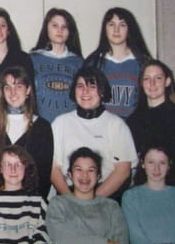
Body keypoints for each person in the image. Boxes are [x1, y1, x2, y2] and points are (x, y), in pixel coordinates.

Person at [51, 66, 136, 199]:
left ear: (102, 91)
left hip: (105, 196)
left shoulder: (116, 125)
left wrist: (92, 201)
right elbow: (53, 169)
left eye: (92, 86)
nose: (85, 91)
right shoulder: (60, 123)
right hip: (68, 195)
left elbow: (123, 171)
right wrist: (71, 199)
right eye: (80, 86)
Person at [126, 59, 175, 190]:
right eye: (147, 78)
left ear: (167, 81)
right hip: (144, 190)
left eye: (158, 78)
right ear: (141, 83)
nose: (152, 83)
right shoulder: (134, 121)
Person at [0, 66, 53, 199]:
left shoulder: (42, 127)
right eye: (7, 87)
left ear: (28, 90)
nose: (13, 92)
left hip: (30, 202)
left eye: (18, 86)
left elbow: (44, 174)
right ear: (2, 92)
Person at [84, 7, 152, 119]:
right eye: (111, 24)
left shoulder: (143, 63)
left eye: (122, 25)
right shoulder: (93, 63)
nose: (116, 30)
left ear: (129, 29)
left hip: (135, 125)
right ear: (105, 28)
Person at [29, 8, 83, 122]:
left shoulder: (79, 63)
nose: (60, 30)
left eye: (64, 26)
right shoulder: (32, 59)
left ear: (70, 31)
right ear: (46, 28)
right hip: (40, 124)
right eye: (55, 25)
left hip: (71, 125)